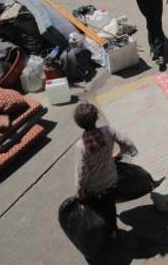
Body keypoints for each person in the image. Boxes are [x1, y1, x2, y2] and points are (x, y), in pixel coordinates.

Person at [73, 102, 138, 245]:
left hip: (94, 188)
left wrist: (80, 193)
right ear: (96, 117)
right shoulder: (108, 131)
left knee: (96, 212)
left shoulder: (81, 147)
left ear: (78, 124)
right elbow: (128, 143)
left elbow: (82, 174)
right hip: (111, 180)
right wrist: (119, 154)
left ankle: (103, 235)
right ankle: (114, 231)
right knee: (109, 207)